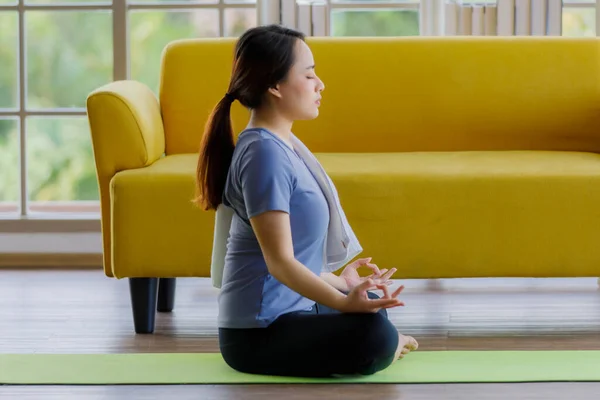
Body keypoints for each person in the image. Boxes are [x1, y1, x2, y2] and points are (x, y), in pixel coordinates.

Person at [194, 24, 418, 378]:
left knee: (374, 309)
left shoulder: (282, 146)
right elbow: (280, 264)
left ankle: (388, 341)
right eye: (310, 75)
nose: (320, 84)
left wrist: (343, 284)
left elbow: (295, 261)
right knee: (374, 334)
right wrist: (344, 302)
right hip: (256, 334)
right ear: (274, 85)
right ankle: (389, 345)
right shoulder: (264, 154)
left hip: (293, 312)